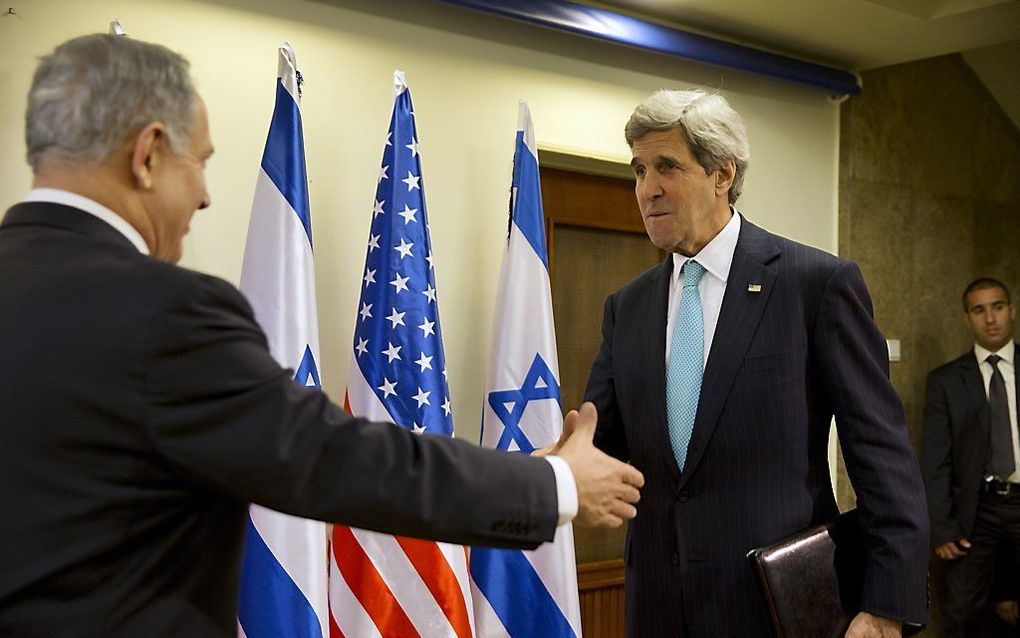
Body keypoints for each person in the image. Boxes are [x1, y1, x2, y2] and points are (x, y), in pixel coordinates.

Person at [0, 34, 644, 637]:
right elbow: (340, 460)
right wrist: (554, 484)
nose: (203, 197)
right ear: (147, 154)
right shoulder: (163, 313)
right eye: (199, 163)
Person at [580, 89, 930, 637]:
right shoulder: (626, 307)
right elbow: (599, 445)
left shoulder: (814, 285)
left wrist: (887, 603)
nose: (647, 190)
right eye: (639, 170)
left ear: (723, 174)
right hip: (657, 609)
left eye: (667, 167)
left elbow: (883, 457)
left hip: (777, 608)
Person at [922, 277, 1018, 637]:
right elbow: (935, 460)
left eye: (997, 307)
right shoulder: (945, 381)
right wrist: (941, 527)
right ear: (967, 319)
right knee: (962, 613)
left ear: (1012, 312)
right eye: (979, 310)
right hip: (976, 511)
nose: (990, 318)